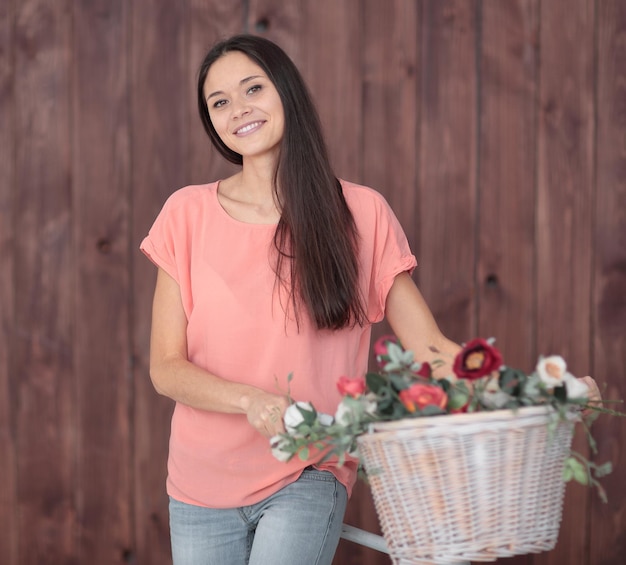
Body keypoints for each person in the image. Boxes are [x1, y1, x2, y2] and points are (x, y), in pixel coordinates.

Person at [140, 34, 601, 565]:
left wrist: (546, 392)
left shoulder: (361, 213)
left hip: (307, 470)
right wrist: (250, 400)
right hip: (199, 483)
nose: (237, 109)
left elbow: (430, 347)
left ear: (287, 92)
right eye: (219, 102)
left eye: (252, 89)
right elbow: (166, 368)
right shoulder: (186, 215)